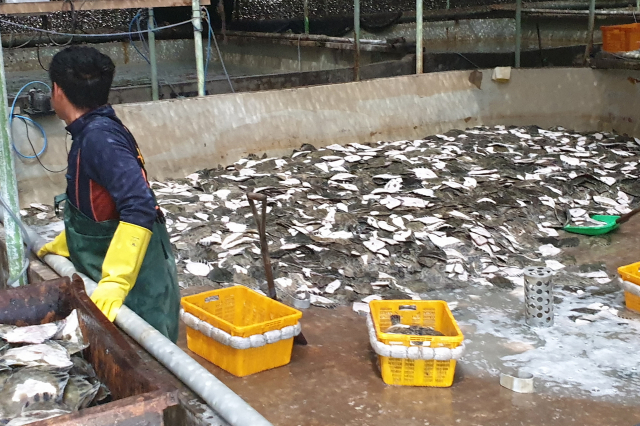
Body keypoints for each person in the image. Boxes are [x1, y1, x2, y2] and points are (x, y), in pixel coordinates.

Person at [37, 46, 180, 343]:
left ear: (57, 91)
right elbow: (99, 199)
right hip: (106, 263)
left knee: (149, 358)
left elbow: (140, 205)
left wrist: (117, 281)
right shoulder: (88, 131)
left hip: (139, 287)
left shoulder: (100, 138)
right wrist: (72, 239)